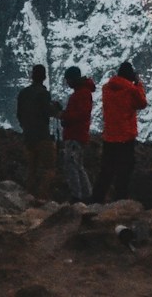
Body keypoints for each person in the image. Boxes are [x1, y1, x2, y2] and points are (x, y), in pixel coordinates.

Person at [94, 60, 147, 203]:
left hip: (109, 135)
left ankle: (97, 199)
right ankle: (120, 200)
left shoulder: (106, 88)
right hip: (125, 136)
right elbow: (142, 103)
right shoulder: (131, 90)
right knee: (124, 170)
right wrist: (138, 84)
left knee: (106, 170)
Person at [15, 65, 56, 200]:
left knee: (32, 169)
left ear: (31, 76)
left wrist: (25, 127)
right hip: (43, 136)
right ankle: (41, 197)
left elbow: (19, 114)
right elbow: (48, 112)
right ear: (44, 77)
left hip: (28, 136)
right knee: (49, 169)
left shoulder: (23, 93)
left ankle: (28, 197)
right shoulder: (43, 94)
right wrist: (55, 109)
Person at [58, 66, 96, 202]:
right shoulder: (82, 93)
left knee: (72, 164)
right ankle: (87, 196)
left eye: (68, 80)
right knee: (78, 165)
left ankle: (77, 196)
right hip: (78, 134)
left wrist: (64, 116)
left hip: (75, 134)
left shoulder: (81, 94)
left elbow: (81, 114)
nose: (67, 83)